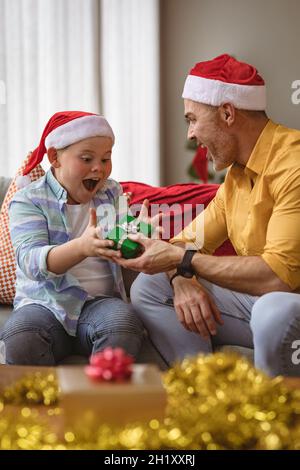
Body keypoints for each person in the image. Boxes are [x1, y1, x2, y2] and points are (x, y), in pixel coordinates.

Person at [116, 54, 300, 377]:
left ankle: (273, 417)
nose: (190, 134)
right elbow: (186, 242)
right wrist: (181, 277)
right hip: (265, 304)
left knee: (273, 310)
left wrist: (185, 261)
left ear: (227, 113)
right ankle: (202, 391)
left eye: (192, 119)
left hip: (285, 302)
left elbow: (277, 277)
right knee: (149, 286)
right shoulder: (236, 177)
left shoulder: (293, 165)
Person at [0, 111, 149, 365]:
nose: (98, 168)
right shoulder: (29, 199)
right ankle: (43, 404)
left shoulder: (111, 192)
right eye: (87, 158)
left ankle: (100, 401)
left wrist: (140, 234)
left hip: (100, 303)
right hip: (44, 304)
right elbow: (30, 261)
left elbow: (124, 243)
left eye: (106, 159)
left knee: (123, 323)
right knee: (20, 336)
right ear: (54, 157)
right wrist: (81, 247)